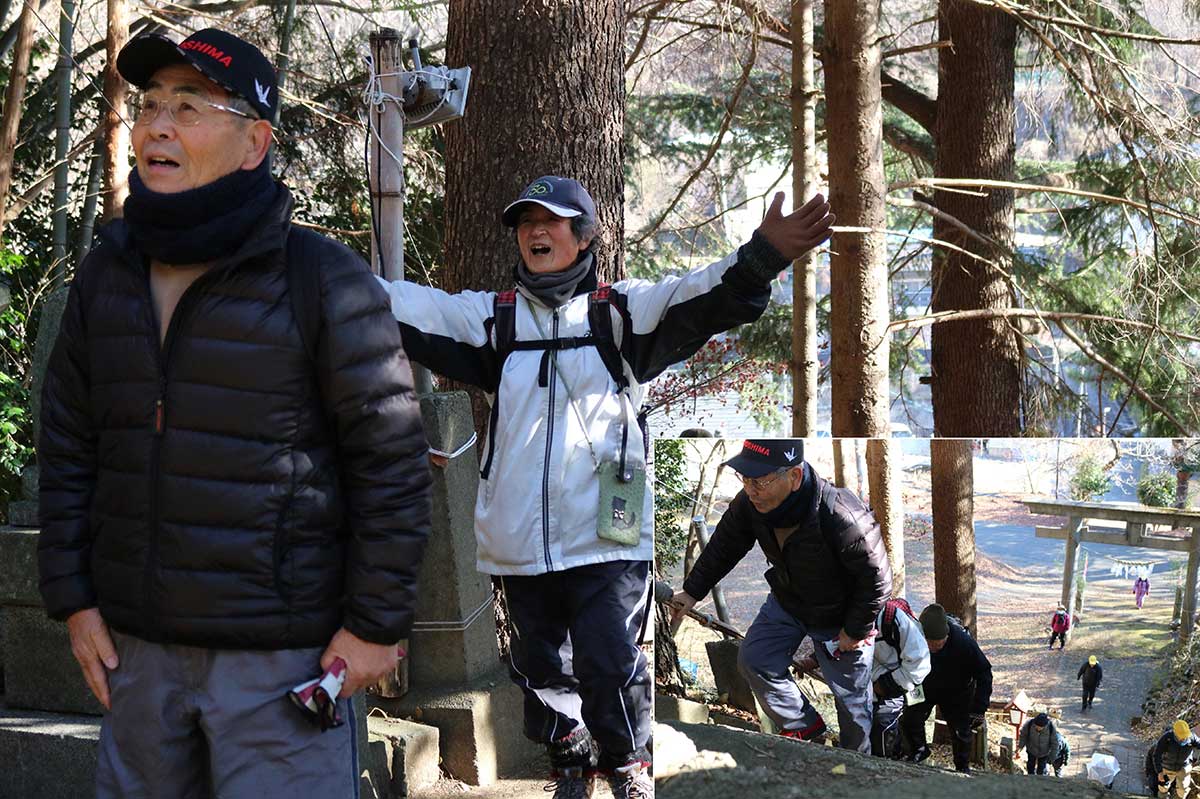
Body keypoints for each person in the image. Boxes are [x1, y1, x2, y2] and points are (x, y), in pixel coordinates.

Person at [37, 28, 433, 798]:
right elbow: (69, 445)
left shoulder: (323, 279)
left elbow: (390, 462)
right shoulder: (106, 273)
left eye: (189, 107)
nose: (156, 125)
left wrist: (376, 623)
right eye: (150, 105)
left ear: (254, 143)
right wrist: (74, 599)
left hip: (282, 662)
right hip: (137, 656)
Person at [377, 179, 834, 797]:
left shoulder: (619, 314)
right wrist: (317, 274)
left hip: (607, 537)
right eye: (525, 222)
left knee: (611, 661)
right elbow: (405, 304)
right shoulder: (494, 319)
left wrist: (762, 255)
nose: (536, 232)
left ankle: (627, 764)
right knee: (539, 664)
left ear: (586, 235)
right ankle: (570, 758)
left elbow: (696, 295)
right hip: (520, 539)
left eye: (554, 221)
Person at [671, 439, 893, 754]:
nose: (750, 489)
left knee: (852, 704)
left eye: (759, 481)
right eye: (745, 479)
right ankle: (806, 727)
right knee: (754, 659)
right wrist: (692, 591)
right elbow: (724, 546)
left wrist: (855, 630)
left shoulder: (840, 514)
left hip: (841, 617)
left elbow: (878, 580)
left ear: (795, 476)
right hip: (789, 601)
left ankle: (856, 767)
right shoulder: (751, 504)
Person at [899, 604, 993, 773]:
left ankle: (962, 767)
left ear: (947, 635)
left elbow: (984, 672)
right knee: (909, 718)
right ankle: (918, 751)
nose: (934, 648)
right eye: (929, 645)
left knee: (961, 731)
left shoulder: (964, 643)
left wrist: (979, 707)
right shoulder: (913, 637)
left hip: (956, 692)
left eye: (938, 644)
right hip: (923, 686)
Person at [867, 597, 930, 759]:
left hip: (909, 680)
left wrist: (886, 685)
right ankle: (903, 752)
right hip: (886, 680)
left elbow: (919, 663)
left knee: (911, 718)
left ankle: (918, 752)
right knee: (891, 722)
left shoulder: (894, 622)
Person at [1152, 720, 1200, 798]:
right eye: (1181, 737)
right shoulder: (1167, 738)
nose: (1183, 739)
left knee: (1183, 788)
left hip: (1184, 767)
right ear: (1175, 733)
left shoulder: (1192, 737)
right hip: (1168, 767)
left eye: (1185, 737)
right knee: (1163, 786)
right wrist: (1160, 772)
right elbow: (1157, 754)